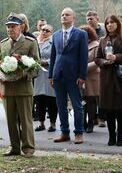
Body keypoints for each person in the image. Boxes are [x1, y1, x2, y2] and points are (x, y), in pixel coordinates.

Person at [0, 13, 39, 157]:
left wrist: (23, 74)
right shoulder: (3, 44)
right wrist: (0, 75)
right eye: (8, 27)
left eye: (13, 26)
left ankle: (28, 148)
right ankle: (14, 147)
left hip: (23, 88)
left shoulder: (30, 42)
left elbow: (36, 67)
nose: (10, 30)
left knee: (25, 120)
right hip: (7, 89)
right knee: (11, 120)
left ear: (20, 27)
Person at [49, 8, 88, 144]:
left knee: (77, 106)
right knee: (61, 106)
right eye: (62, 14)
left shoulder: (81, 34)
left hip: (74, 76)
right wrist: (50, 75)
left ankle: (79, 133)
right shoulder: (56, 35)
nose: (64, 16)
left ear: (73, 18)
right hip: (58, 75)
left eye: (67, 14)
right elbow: (53, 57)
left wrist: (82, 76)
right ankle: (64, 132)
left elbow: (84, 56)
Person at [95, 15, 122, 146]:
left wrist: (116, 57)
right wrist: (105, 62)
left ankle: (120, 137)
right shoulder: (103, 40)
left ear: (118, 24)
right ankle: (111, 137)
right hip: (107, 78)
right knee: (109, 109)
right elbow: (97, 58)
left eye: (112, 22)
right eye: (107, 23)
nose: (109, 25)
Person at [33, 24, 58, 132]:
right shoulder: (36, 42)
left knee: (51, 100)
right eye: (43, 30)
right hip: (38, 75)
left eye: (47, 30)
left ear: (51, 32)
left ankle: (53, 124)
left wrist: (46, 62)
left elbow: (57, 57)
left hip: (49, 74)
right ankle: (41, 123)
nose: (44, 32)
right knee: (39, 100)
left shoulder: (54, 43)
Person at [79, 25, 100, 133]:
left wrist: (83, 68)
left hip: (92, 77)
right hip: (80, 77)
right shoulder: (77, 45)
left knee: (91, 101)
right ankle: (83, 122)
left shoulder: (96, 45)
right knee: (82, 101)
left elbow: (97, 61)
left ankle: (91, 122)